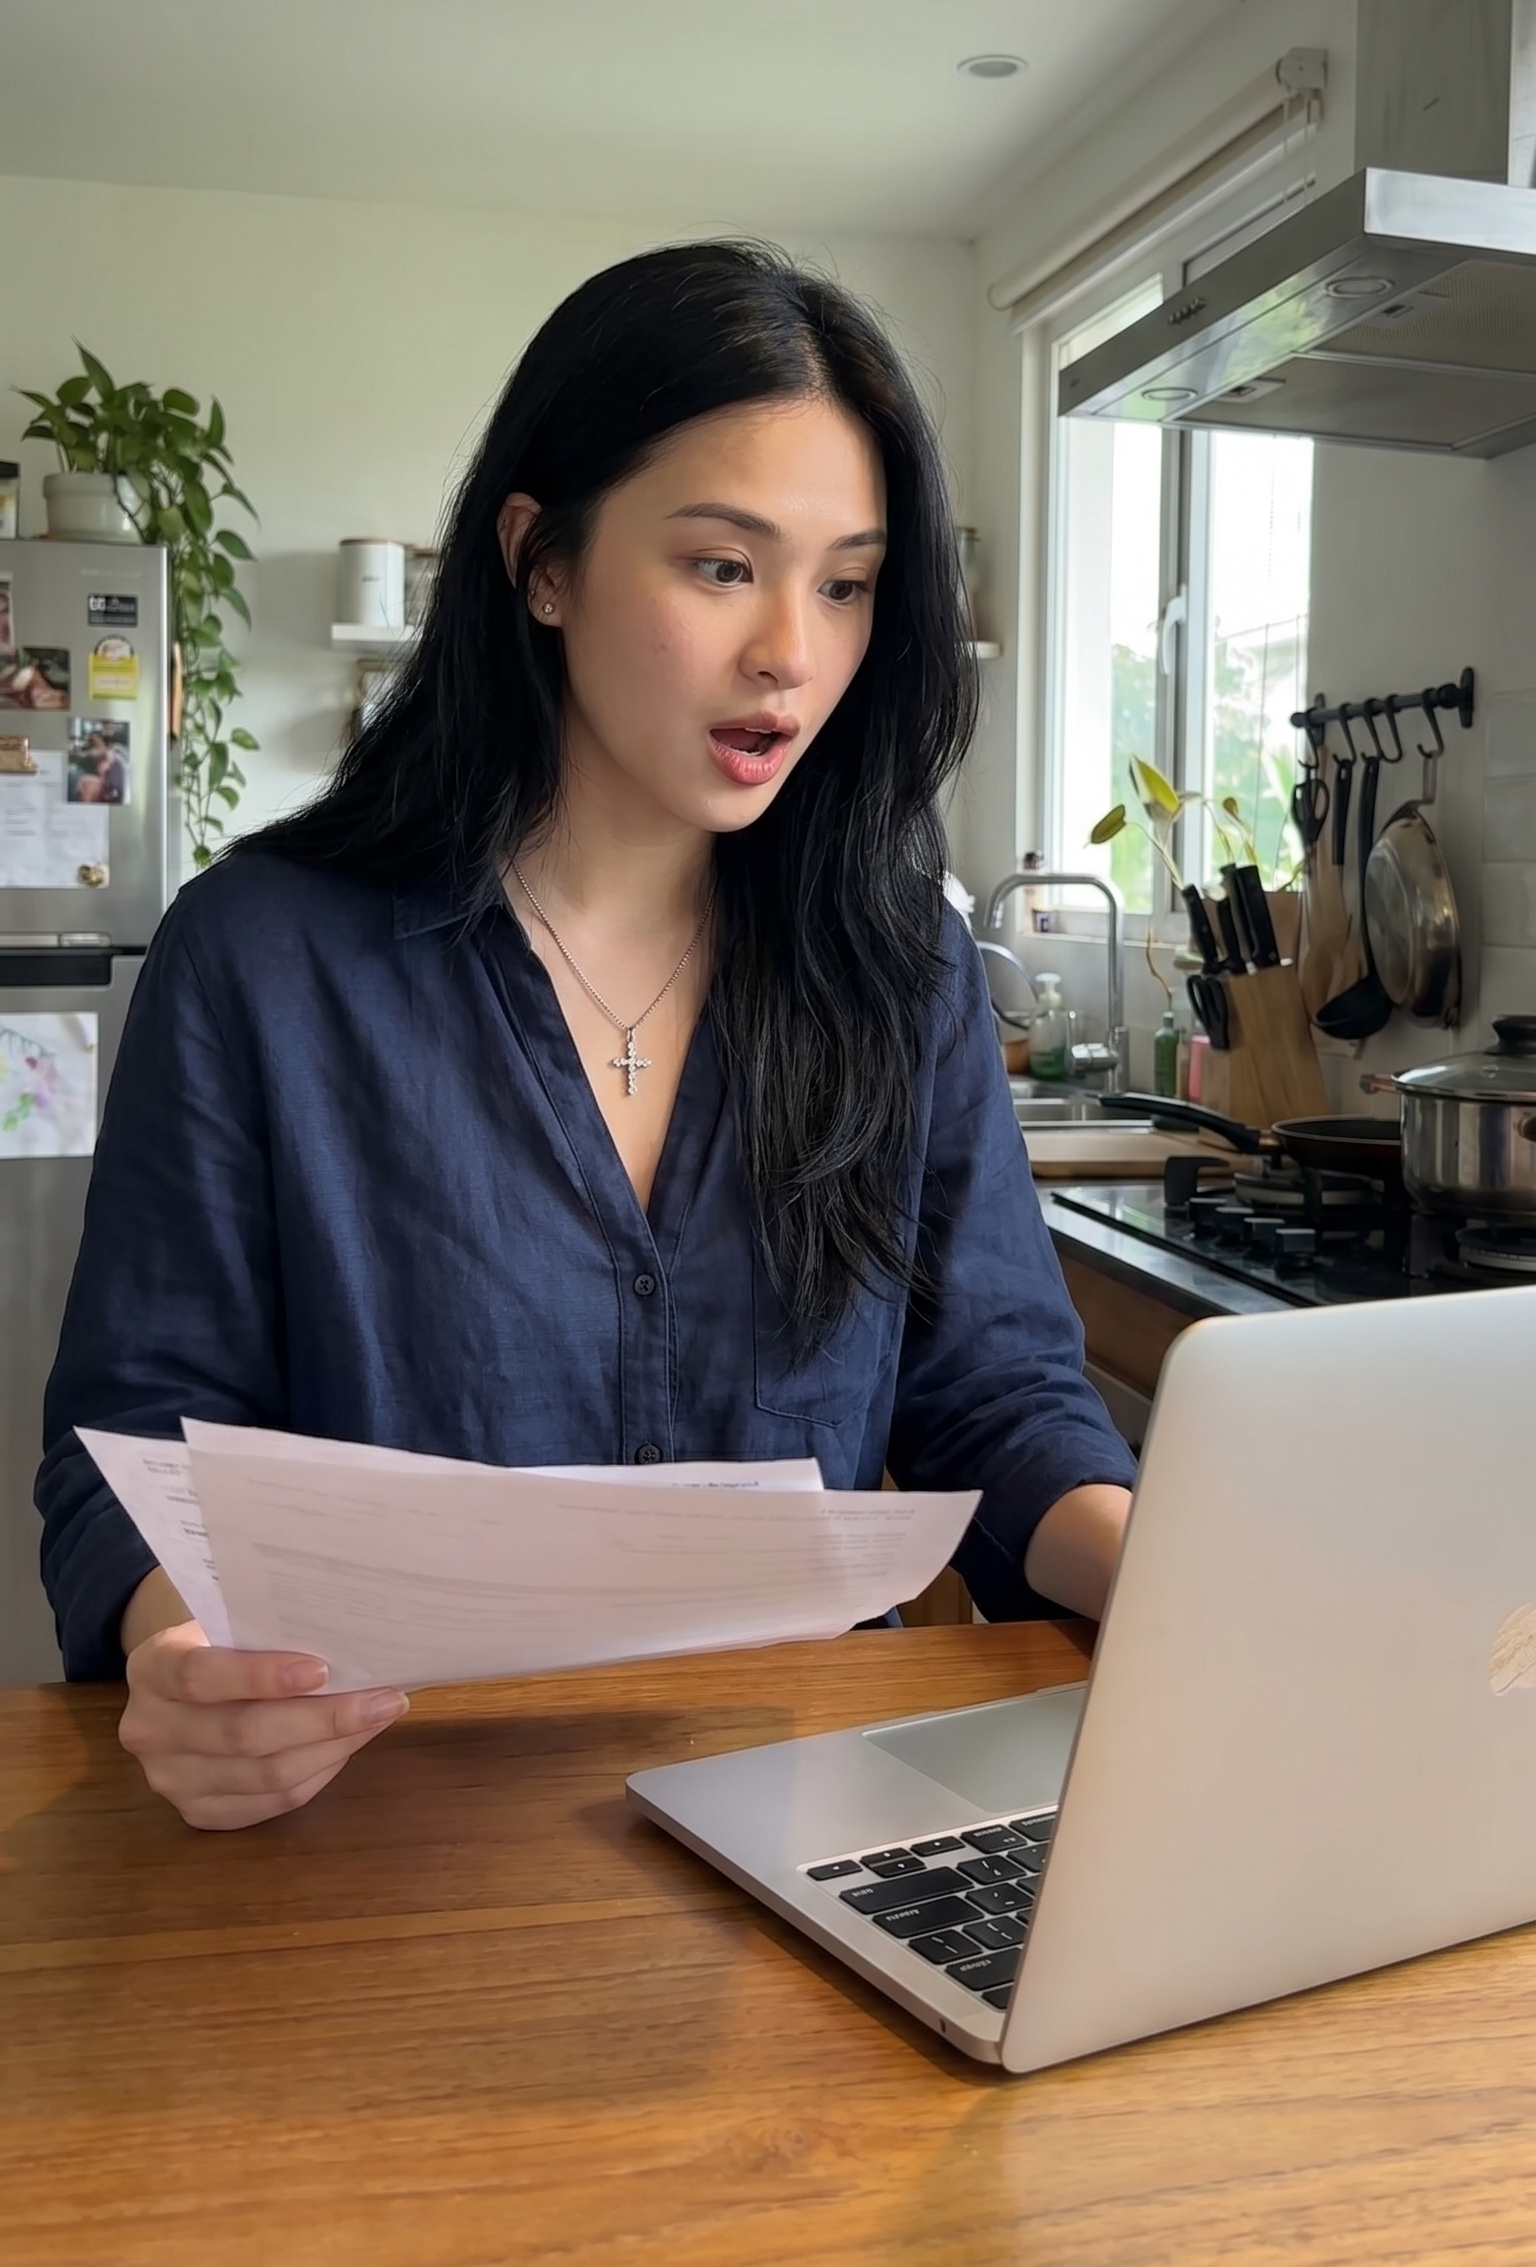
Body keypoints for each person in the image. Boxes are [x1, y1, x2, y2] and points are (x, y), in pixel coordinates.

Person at [37, 240, 1135, 1831]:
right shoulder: (264, 960)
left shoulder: (900, 972)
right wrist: (183, 1658)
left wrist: (1162, 1572)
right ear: (541, 561)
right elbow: (130, 1445)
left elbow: (996, 1396)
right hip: (385, 1824)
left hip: (818, 1813)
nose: (794, 653)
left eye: (844, 581)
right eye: (720, 566)